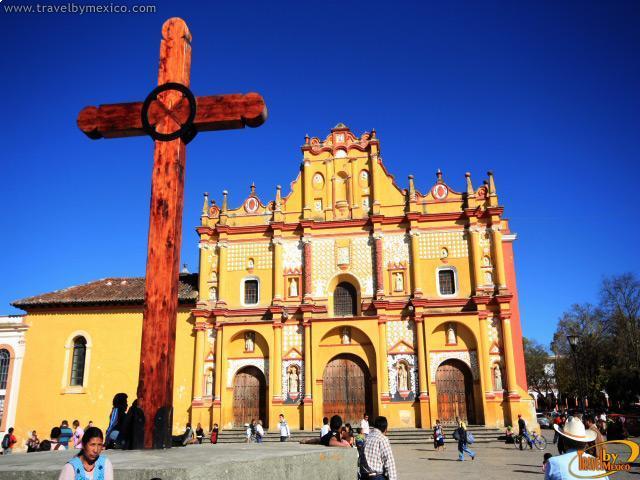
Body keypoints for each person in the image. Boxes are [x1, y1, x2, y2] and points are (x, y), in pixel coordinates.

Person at [363, 416, 397, 480]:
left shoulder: (366, 438)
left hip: (364, 476)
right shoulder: (382, 439)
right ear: (385, 429)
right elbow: (389, 461)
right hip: (377, 476)